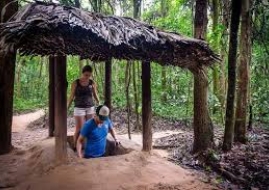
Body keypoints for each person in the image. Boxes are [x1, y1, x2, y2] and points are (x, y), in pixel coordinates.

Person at [67, 65, 100, 148]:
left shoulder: (92, 83)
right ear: (82, 73)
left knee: (90, 128)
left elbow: (95, 94)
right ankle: (75, 146)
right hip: (79, 108)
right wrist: (67, 107)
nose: (87, 77)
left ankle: (87, 147)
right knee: (80, 129)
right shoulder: (76, 83)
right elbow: (71, 96)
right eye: (86, 75)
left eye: (89, 75)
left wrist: (99, 104)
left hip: (90, 108)